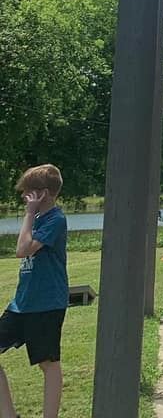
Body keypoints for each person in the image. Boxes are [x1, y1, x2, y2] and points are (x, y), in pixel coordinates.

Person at [0, 164, 68, 418]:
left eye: (28, 192)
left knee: (47, 363)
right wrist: (31, 215)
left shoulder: (56, 220)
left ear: (44, 193)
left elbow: (22, 250)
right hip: (22, 304)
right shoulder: (38, 219)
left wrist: (29, 214)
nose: (23, 196)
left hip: (47, 304)